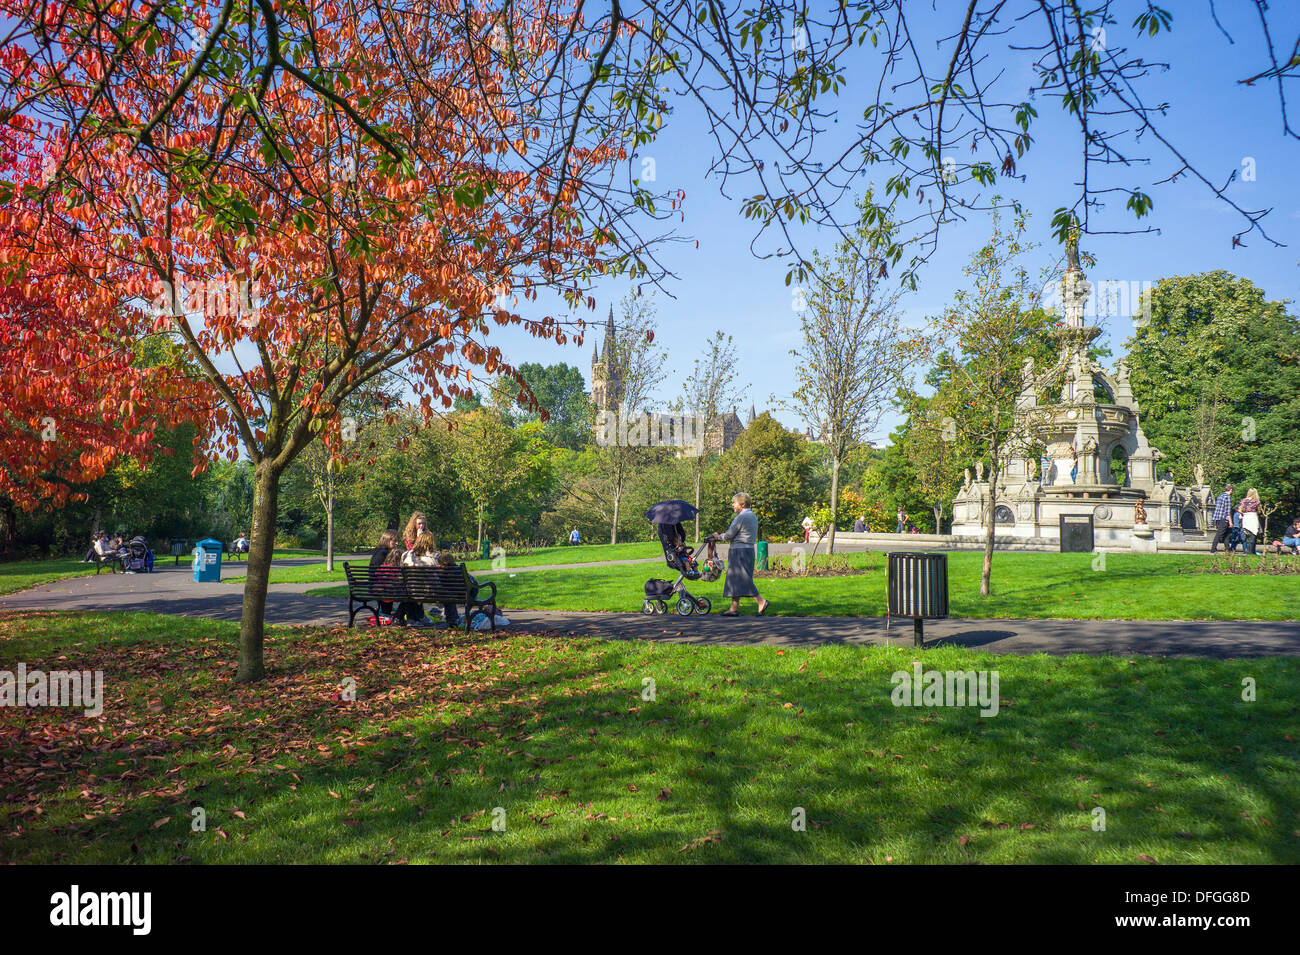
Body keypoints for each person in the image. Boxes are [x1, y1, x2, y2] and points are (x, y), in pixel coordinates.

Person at [713, 492, 768, 617]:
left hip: (739, 551)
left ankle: (761, 601)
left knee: (742, 578)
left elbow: (729, 535)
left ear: (742, 504)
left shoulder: (741, 517)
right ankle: (733, 608)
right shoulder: (752, 516)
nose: (733, 505)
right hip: (748, 550)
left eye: (735, 503)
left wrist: (718, 536)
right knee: (735, 578)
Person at [1210, 484, 1234, 553]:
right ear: (1231, 490)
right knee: (1219, 534)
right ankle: (1213, 548)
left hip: (1217, 518)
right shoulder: (1227, 497)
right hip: (1224, 519)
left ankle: (1228, 549)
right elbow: (1228, 511)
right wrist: (1231, 522)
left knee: (1226, 534)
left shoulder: (1220, 496)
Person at [1239, 488, 1262, 555]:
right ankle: (1250, 551)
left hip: (1246, 517)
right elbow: (1259, 511)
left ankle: (1249, 550)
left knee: (1248, 534)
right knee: (1254, 533)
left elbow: (1240, 510)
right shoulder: (1256, 502)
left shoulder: (1243, 501)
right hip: (1253, 517)